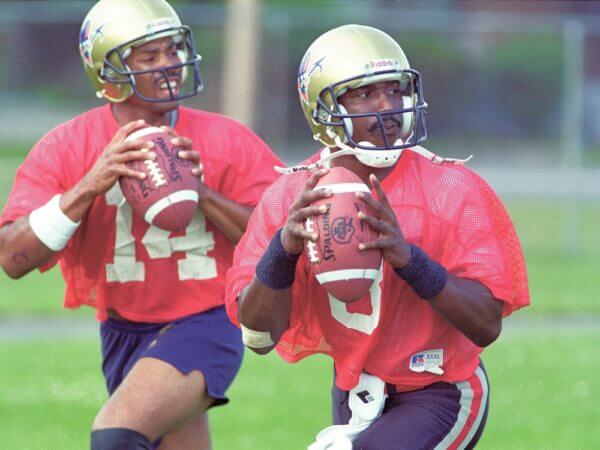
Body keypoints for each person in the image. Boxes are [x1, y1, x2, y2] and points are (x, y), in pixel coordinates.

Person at [226, 24, 529, 449]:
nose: (387, 106)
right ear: (322, 106)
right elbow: (258, 338)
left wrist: (410, 260)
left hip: (441, 389)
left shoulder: (452, 188)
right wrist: (282, 250)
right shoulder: (292, 196)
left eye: (394, 90)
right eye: (366, 94)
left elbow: (486, 325)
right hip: (355, 392)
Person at [0, 0, 282, 449]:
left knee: (116, 434)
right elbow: (12, 258)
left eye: (172, 50)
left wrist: (203, 194)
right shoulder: (68, 147)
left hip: (208, 319)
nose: (169, 65)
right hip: (122, 328)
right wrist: (90, 185)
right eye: (150, 57)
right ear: (108, 71)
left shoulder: (226, 140)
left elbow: (280, 240)